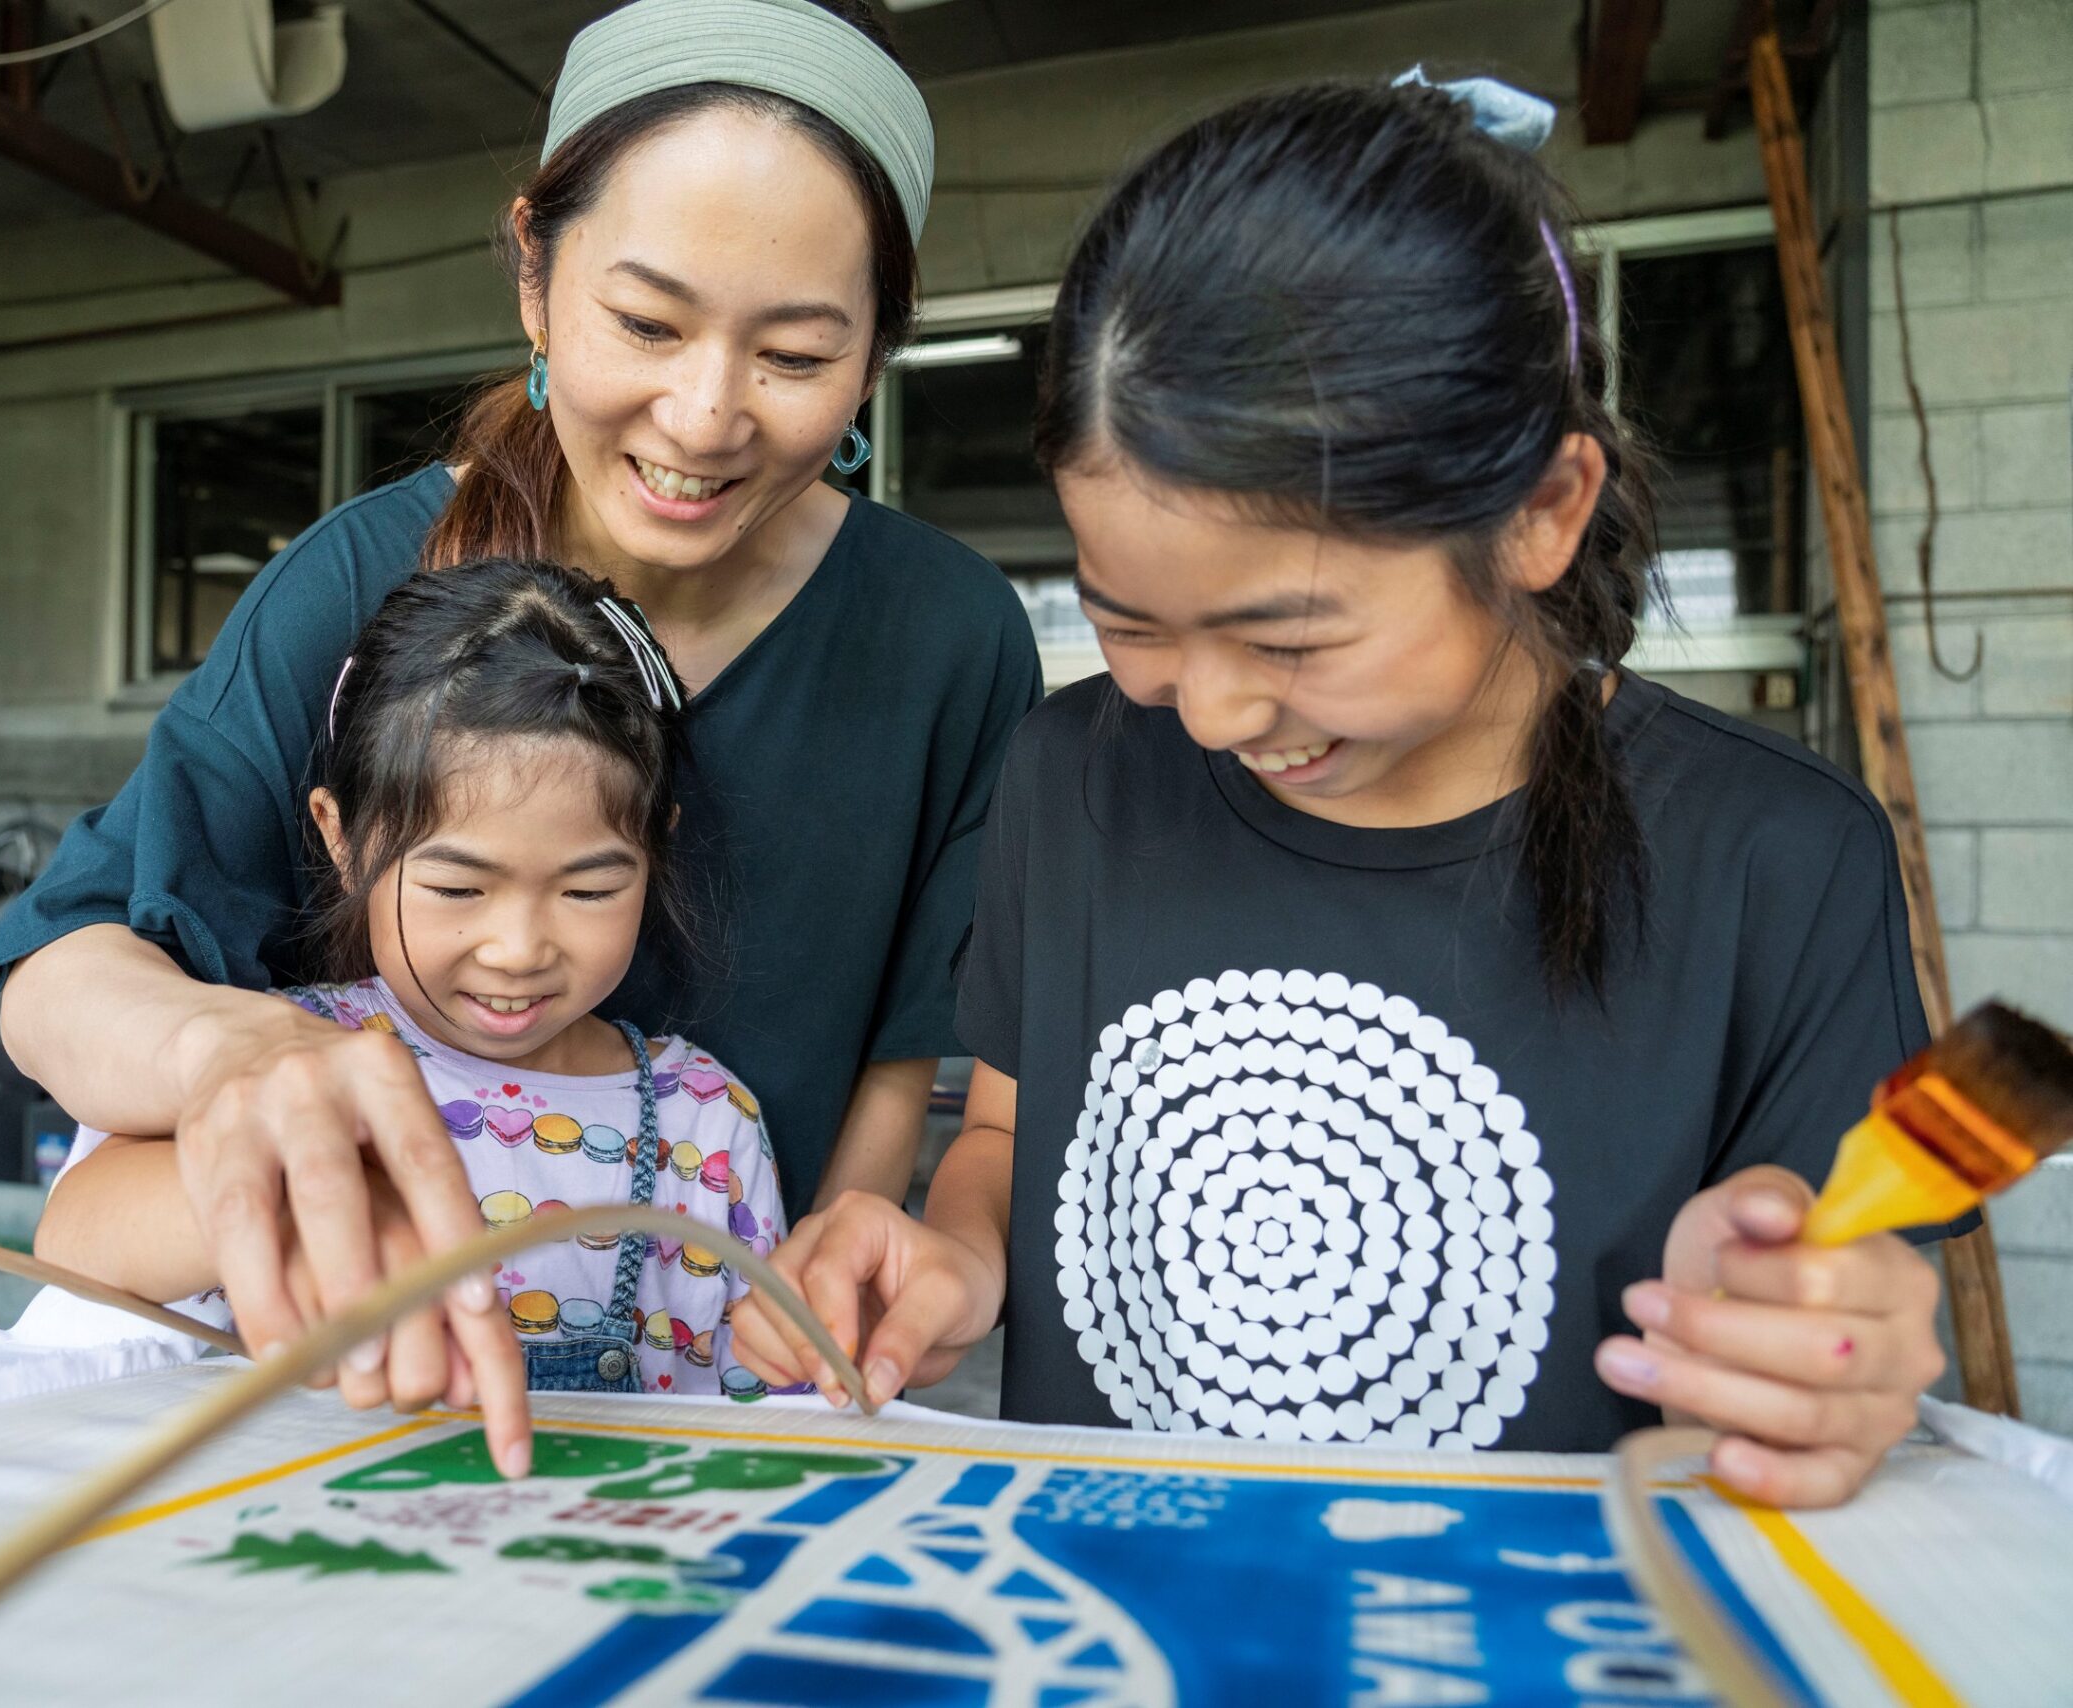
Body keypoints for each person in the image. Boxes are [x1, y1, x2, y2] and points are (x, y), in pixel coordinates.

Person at [734, 77, 1955, 1509]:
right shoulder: (1071, 777)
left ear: (1544, 513)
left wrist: (1815, 1333)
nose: (1211, 708)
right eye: (1130, 621)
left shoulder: (1777, 858)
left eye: (1288, 635)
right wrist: (955, 1251)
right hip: (1112, 1617)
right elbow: (1007, 1135)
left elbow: (1846, 1263)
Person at [0, 0, 1038, 1459]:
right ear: (536, 274)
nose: (707, 414)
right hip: (347, 1415)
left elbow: (905, 1055)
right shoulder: (355, 580)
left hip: (714, 1404)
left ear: (875, 356)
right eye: (646, 324)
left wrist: (827, 1264)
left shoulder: (948, 637)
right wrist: (228, 1054)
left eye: (794, 354)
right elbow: (63, 965)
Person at [33, 559, 789, 1401]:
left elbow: (769, 1406)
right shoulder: (288, 1067)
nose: (516, 948)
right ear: (342, 836)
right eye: (458, 888)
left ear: (657, 849)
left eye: (589, 890)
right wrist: (296, 1200)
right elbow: (74, 1235)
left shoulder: (709, 1126)